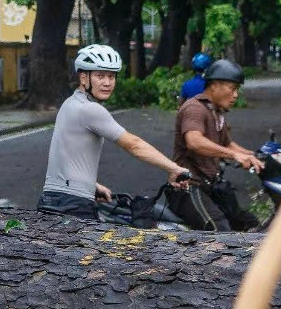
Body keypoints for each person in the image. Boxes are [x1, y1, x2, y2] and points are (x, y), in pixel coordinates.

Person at [39, 44, 189, 219]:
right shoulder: (91, 110)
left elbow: (66, 154)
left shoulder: (69, 104)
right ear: (83, 78)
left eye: (111, 76)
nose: (107, 83)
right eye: (100, 76)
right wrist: (173, 168)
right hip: (72, 205)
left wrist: (91, 185)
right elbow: (134, 144)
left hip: (53, 199)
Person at [168, 59, 263, 231]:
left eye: (237, 90)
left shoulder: (216, 111)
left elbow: (227, 144)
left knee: (249, 224)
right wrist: (235, 155)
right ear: (214, 86)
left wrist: (252, 155)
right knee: (218, 228)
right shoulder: (195, 108)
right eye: (232, 89)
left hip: (209, 185)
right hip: (188, 187)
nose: (235, 95)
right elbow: (194, 141)